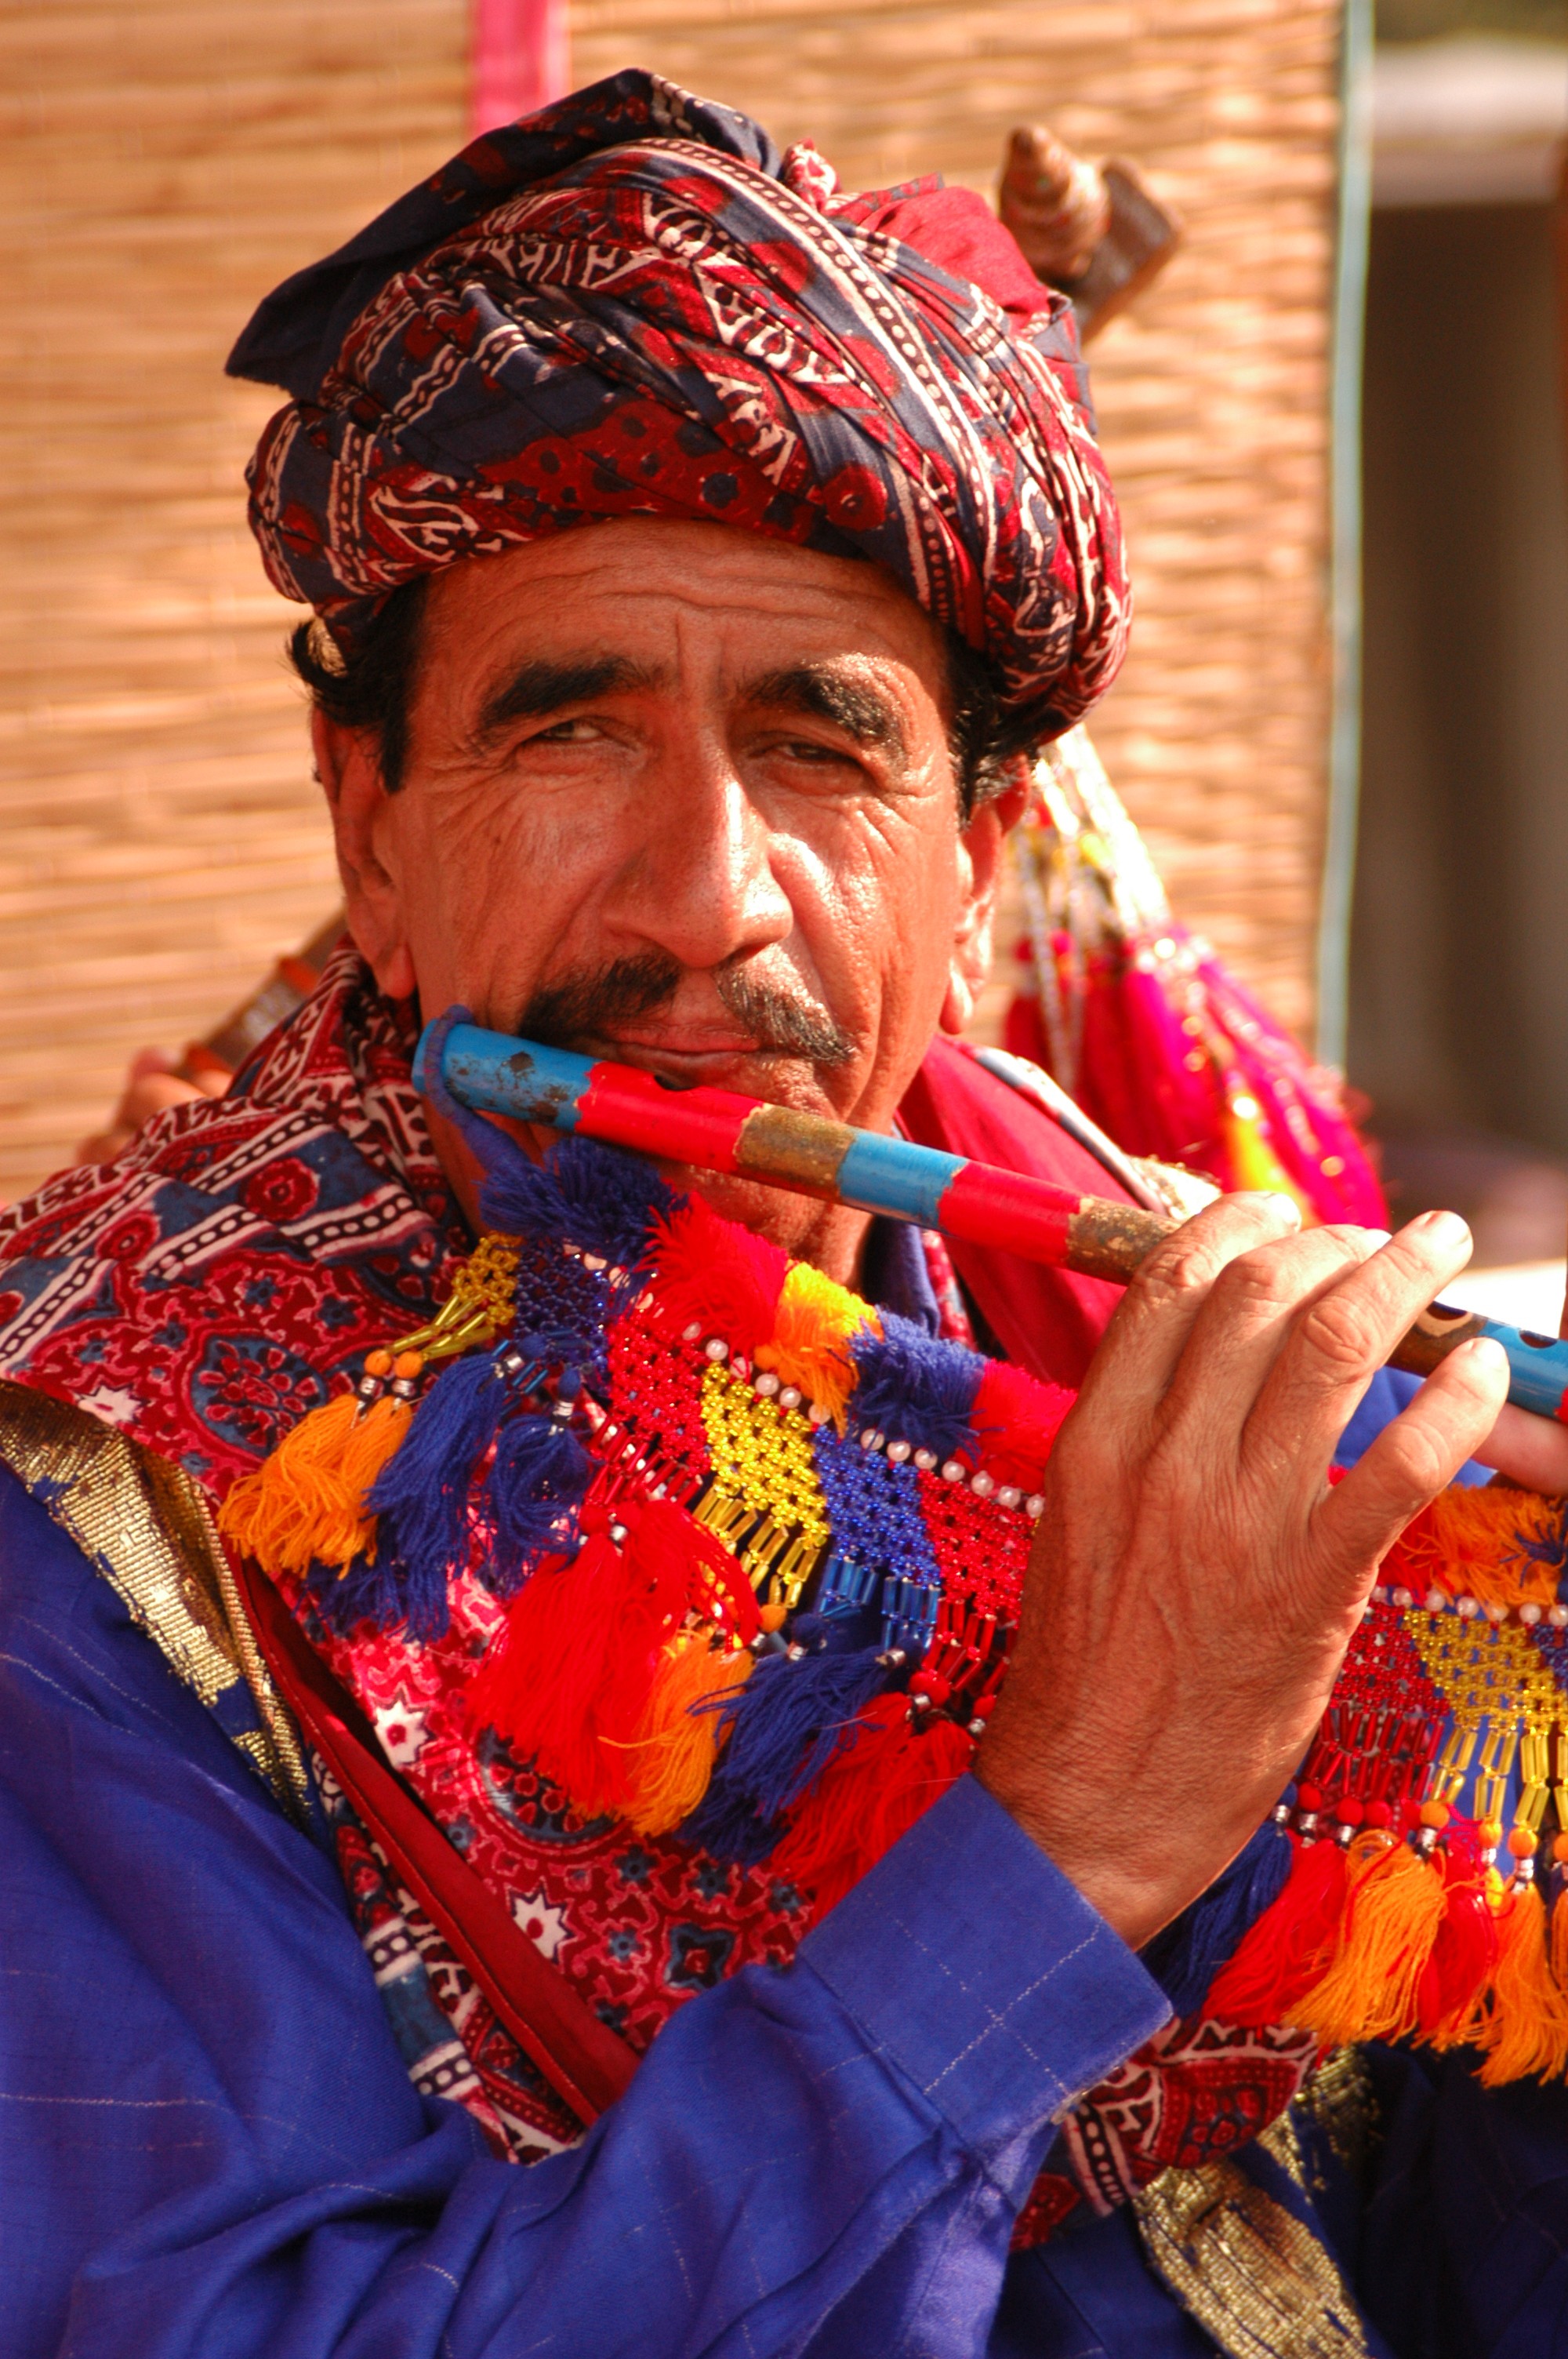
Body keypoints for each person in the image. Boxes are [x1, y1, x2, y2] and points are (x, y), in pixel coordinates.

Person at [2, 70, 1566, 2359]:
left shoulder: (1101, 1281)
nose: (704, 898)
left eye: (825, 748)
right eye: (570, 734)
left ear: (981, 863)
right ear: (372, 836)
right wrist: (1073, 1840)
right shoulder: (99, 1520)